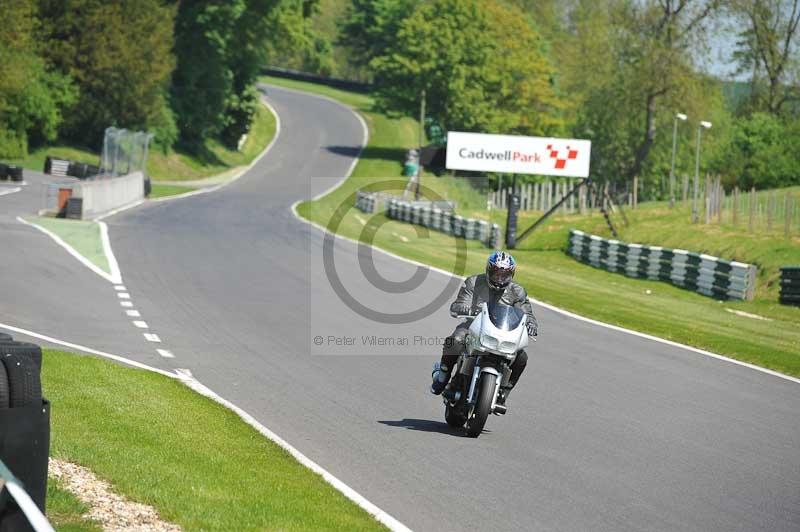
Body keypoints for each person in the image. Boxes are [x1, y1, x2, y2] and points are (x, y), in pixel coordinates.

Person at [431, 251, 537, 405]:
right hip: (474, 326)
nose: (500, 278)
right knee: (455, 341)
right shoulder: (474, 282)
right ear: (489, 270)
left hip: (502, 331)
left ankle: (505, 391)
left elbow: (526, 312)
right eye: (496, 273)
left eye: (504, 274)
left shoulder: (517, 291)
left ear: (511, 274)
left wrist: (531, 323)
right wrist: (464, 308)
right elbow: (459, 302)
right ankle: (442, 376)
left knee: (521, 357)